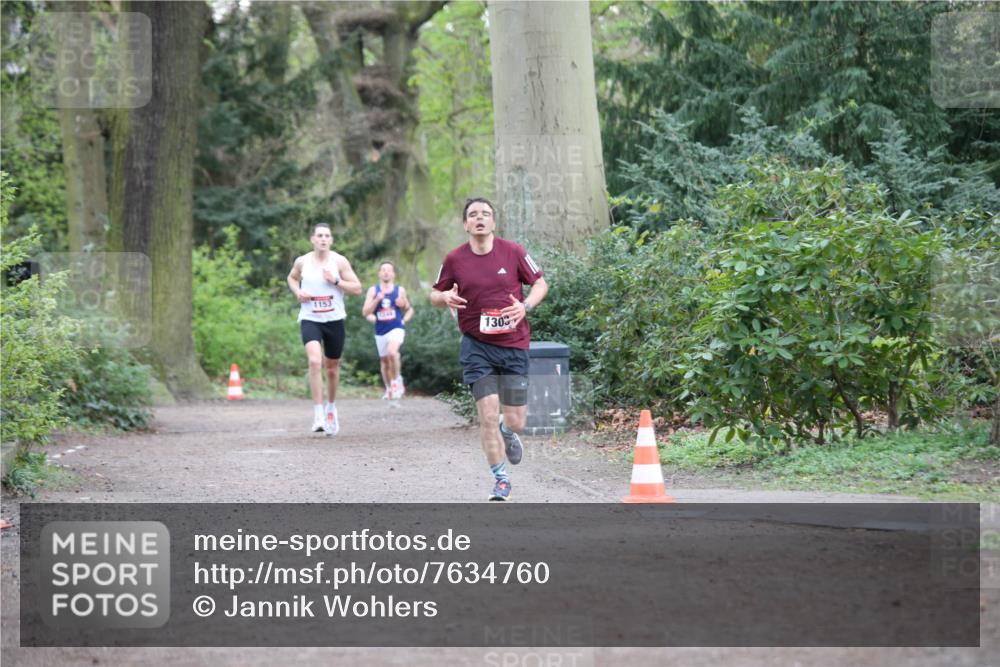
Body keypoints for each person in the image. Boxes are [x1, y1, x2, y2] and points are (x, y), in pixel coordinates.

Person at [430, 197, 548, 501]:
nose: (479, 218)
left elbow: (540, 284)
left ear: (493, 222)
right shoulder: (455, 259)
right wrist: (444, 299)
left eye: (485, 214)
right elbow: (435, 293)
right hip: (477, 346)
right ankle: (501, 480)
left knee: (516, 420)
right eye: (473, 214)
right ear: (466, 224)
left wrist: (525, 306)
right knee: (486, 414)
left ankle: (508, 432)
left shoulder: (513, 252)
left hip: (514, 345)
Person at [287, 223, 363, 435]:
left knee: (331, 368)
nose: (323, 239)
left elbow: (357, 288)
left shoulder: (338, 261)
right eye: (319, 235)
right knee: (314, 360)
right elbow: (291, 278)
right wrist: (297, 291)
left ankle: (331, 407)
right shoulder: (302, 261)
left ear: (331, 240)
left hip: (334, 320)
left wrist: (336, 280)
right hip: (310, 318)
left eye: (327, 236)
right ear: (312, 239)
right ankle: (318, 413)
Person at [362, 261, 414, 406]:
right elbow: (365, 312)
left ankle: (397, 381)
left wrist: (403, 317)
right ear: (379, 273)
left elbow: (409, 309)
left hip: (396, 327)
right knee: (385, 363)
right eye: (383, 270)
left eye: (389, 270)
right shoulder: (373, 291)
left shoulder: (399, 290)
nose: (386, 272)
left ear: (393, 274)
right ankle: (390, 389)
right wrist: (376, 301)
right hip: (380, 331)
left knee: (392, 353)